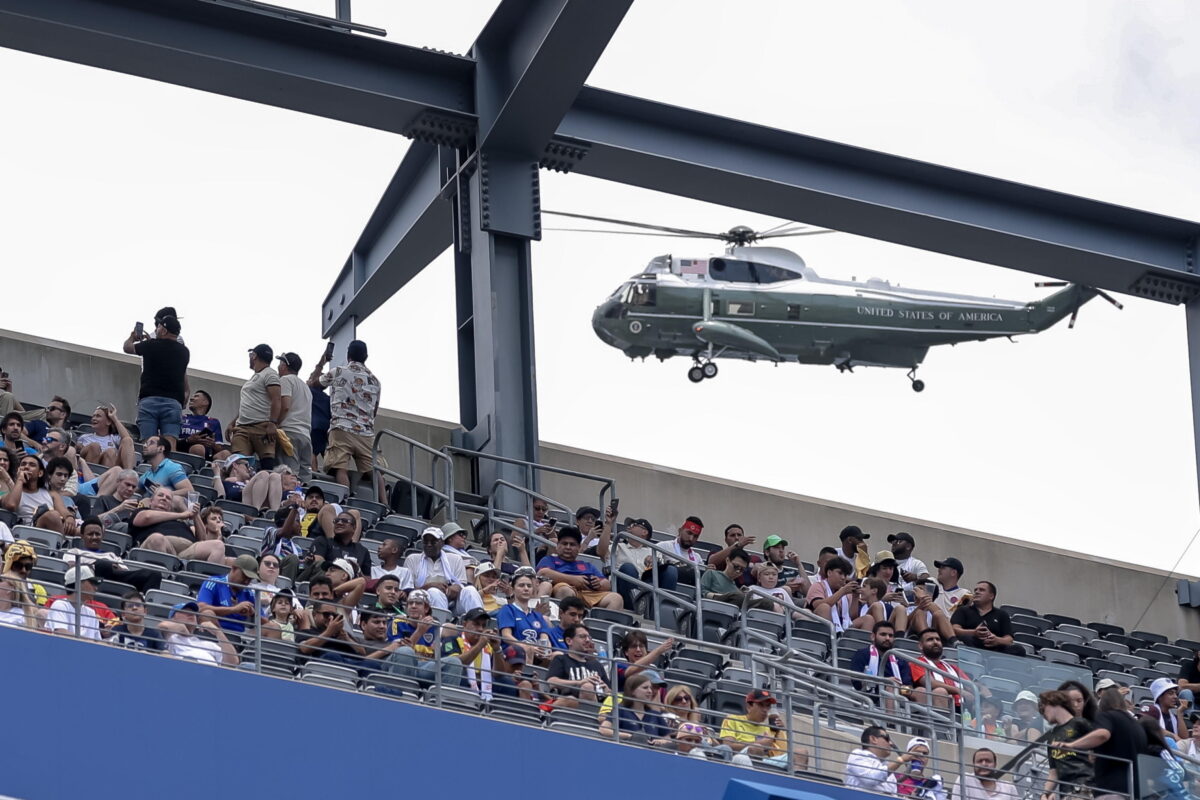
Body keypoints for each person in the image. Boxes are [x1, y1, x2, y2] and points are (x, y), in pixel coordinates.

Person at [1055, 684, 1148, 800]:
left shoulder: (1107, 716)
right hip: (1135, 792)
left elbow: (1103, 734)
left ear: (1103, 704)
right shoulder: (1137, 726)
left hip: (1111, 790)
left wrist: (1072, 745)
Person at [318, 339, 381, 492]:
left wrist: (321, 363)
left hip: (342, 427)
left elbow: (315, 384)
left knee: (340, 467)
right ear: (366, 357)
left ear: (348, 355)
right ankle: (384, 502)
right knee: (374, 470)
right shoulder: (375, 381)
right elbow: (374, 412)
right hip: (366, 432)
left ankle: (344, 498)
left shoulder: (339, 371)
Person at [124, 313, 189, 447]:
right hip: (173, 402)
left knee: (149, 442)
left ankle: (149, 460)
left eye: (158, 327)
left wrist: (132, 337)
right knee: (170, 442)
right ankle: (169, 460)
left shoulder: (151, 345)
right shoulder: (184, 352)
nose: (156, 330)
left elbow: (127, 347)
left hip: (150, 399)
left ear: (164, 330)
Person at [382, 589, 463, 686]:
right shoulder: (397, 622)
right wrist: (419, 631)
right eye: (410, 603)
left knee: (454, 662)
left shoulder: (436, 628)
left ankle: (442, 696)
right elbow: (396, 650)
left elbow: (437, 658)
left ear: (426, 608)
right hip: (400, 664)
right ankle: (400, 692)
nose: (413, 606)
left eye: (418, 603)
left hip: (424, 667)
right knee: (406, 652)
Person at [62, 517, 163, 594]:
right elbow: (72, 569)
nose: (94, 537)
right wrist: (96, 565)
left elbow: (124, 573)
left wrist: (113, 567)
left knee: (154, 574)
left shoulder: (112, 555)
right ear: (82, 536)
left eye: (97, 534)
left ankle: (145, 609)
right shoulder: (74, 552)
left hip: (115, 579)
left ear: (102, 536)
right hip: (90, 580)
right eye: (90, 534)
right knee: (103, 564)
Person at [535, 526, 623, 609]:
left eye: (572, 545)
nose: (568, 547)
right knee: (565, 590)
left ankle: (600, 620)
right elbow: (543, 573)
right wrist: (574, 580)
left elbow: (607, 584)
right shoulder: (549, 559)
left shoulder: (587, 565)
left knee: (616, 598)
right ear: (557, 546)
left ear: (579, 547)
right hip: (563, 588)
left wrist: (599, 584)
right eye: (564, 544)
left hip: (589, 593)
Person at [402, 527, 482, 614]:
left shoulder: (455, 559)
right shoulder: (412, 559)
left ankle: (479, 619)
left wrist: (447, 590)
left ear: (442, 543)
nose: (429, 545)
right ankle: (441, 621)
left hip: (452, 601)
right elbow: (407, 591)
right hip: (423, 602)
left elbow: (460, 585)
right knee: (434, 591)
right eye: (425, 542)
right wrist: (428, 587)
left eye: (433, 542)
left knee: (470, 590)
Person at [131, 487, 224, 563]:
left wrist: (196, 515)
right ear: (151, 501)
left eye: (168, 498)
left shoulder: (179, 521)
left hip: (186, 551)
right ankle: (165, 577)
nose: (164, 498)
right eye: (160, 495)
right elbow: (145, 517)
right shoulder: (143, 511)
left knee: (218, 545)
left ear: (171, 505)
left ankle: (207, 581)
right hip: (159, 545)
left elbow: (202, 539)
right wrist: (183, 514)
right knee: (157, 538)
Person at [228, 344, 284, 470]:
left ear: (254, 356)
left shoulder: (270, 374)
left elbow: (276, 399)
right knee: (239, 464)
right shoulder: (256, 377)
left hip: (262, 426)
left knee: (267, 464)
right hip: (243, 427)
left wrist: (272, 423)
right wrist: (233, 422)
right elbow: (248, 404)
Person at [613, 517, 678, 612]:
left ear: (644, 532)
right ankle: (636, 606)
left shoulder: (654, 551)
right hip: (624, 586)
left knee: (671, 570)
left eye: (634, 525)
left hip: (647, 582)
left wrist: (655, 561)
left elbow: (662, 566)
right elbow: (601, 552)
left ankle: (664, 610)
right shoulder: (618, 546)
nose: (629, 527)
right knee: (628, 567)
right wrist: (608, 525)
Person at [1038, 689, 1094, 800]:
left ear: (1051, 703)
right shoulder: (1052, 737)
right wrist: (1045, 793)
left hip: (1085, 785)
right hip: (1065, 792)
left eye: (1043, 708)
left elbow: (1100, 743)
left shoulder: (1080, 723)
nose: (1043, 714)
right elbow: (1053, 772)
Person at [909, 629, 977, 711]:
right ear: (920, 646)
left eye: (938, 639)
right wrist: (958, 690)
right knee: (940, 691)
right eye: (930, 640)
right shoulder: (916, 663)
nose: (935, 642)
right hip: (939, 705)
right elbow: (930, 683)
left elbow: (970, 685)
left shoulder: (952, 667)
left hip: (961, 707)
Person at [546, 624, 611, 708]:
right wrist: (579, 683)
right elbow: (551, 682)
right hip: (569, 705)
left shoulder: (597, 664)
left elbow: (610, 692)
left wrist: (607, 691)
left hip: (599, 707)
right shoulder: (561, 659)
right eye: (582, 637)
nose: (587, 640)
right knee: (587, 687)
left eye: (589, 637)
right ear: (569, 641)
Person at [950, 581, 1023, 656]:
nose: (977, 592)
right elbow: (954, 629)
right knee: (966, 638)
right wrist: (974, 633)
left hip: (994, 649)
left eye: (981, 590)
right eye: (975, 590)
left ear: (991, 596)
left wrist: (996, 640)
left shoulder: (1002, 614)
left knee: (1018, 649)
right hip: (971, 644)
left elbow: (1009, 639)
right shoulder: (963, 610)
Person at [599, 672, 673, 745]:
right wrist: (629, 736)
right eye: (645, 688)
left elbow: (668, 739)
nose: (650, 691)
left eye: (650, 688)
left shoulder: (655, 714)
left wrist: (660, 741)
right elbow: (604, 729)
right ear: (632, 691)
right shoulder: (620, 710)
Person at [157, 601, 238, 666]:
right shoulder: (171, 637)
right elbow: (163, 626)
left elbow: (232, 662)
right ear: (172, 618)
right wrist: (183, 629)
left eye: (193, 612)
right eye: (185, 611)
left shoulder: (208, 644)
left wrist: (218, 632)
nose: (191, 614)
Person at [496, 571, 553, 663]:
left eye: (529, 586)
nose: (526, 589)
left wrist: (546, 650)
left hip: (536, 654)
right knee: (528, 650)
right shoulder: (507, 609)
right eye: (521, 585)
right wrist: (528, 647)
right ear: (513, 589)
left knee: (556, 655)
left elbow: (544, 637)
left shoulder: (537, 615)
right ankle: (526, 672)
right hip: (513, 653)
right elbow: (506, 636)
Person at [196, 554, 260, 633]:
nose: (246, 581)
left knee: (271, 627)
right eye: (244, 576)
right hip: (216, 632)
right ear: (233, 568)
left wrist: (253, 614)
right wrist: (234, 609)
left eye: (250, 579)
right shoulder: (214, 582)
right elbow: (200, 608)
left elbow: (265, 620)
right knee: (207, 614)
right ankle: (223, 639)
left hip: (241, 635)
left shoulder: (250, 593)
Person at [276, 352, 313, 481]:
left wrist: (275, 423)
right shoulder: (306, 387)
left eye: (280, 364)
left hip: (289, 433)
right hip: (306, 437)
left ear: (284, 366)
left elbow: (285, 406)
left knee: (288, 475)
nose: (278, 367)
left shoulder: (285, 380)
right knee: (304, 479)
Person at [720, 689, 787, 759]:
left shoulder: (769, 729)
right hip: (740, 758)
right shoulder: (733, 720)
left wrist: (780, 732)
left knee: (795, 755)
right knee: (756, 748)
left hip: (766, 761)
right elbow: (728, 747)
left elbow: (780, 755)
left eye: (768, 706)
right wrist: (759, 743)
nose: (765, 710)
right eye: (761, 705)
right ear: (749, 707)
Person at [699, 546, 774, 609]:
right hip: (713, 605)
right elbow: (701, 592)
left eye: (742, 569)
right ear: (727, 560)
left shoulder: (736, 589)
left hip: (737, 610)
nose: (738, 571)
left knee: (767, 603)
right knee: (738, 596)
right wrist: (723, 596)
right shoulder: (712, 573)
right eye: (736, 566)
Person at [850, 620, 913, 694]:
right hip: (870, 696)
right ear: (873, 637)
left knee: (921, 690)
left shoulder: (900, 661)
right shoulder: (862, 654)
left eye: (890, 636)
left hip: (899, 696)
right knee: (891, 687)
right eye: (883, 634)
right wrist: (884, 681)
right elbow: (857, 682)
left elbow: (908, 689)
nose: (887, 638)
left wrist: (897, 689)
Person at [44, 565, 103, 640]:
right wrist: (88, 641)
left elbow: (97, 641)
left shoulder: (91, 613)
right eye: (92, 583)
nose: (96, 588)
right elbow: (61, 633)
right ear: (78, 584)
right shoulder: (60, 605)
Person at [844, 725, 907, 793]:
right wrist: (901, 760)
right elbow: (870, 779)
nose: (891, 743)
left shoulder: (885, 765)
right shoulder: (858, 755)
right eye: (887, 738)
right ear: (873, 739)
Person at [805, 556, 858, 632]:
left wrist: (855, 597)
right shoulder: (818, 586)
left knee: (868, 619)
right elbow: (817, 605)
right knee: (824, 607)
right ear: (829, 573)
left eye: (845, 575)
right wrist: (842, 592)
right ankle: (830, 637)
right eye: (840, 573)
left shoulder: (846, 592)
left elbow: (851, 617)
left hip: (842, 627)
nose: (843, 578)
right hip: (815, 626)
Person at [2, 453, 55, 526]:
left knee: (54, 515)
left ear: (40, 473)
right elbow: (11, 505)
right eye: (23, 464)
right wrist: (20, 479)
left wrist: (69, 517)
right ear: (18, 470)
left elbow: (65, 514)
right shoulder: (10, 491)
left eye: (32, 465)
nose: (26, 467)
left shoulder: (50, 494)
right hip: (25, 530)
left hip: (49, 528)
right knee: (52, 515)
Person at [76, 405, 135, 470]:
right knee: (95, 446)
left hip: (111, 468)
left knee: (112, 451)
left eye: (98, 416)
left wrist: (115, 419)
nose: (94, 418)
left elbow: (128, 441)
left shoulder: (114, 438)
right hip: (88, 467)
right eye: (93, 416)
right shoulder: (84, 437)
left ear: (108, 422)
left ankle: (128, 473)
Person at [179, 390, 229, 461]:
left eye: (196, 396)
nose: (191, 399)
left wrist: (212, 444)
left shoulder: (214, 422)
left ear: (205, 402)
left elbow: (219, 448)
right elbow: (172, 441)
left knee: (226, 453)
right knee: (198, 448)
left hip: (208, 455)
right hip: (184, 452)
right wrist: (188, 440)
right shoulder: (182, 418)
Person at [953, 748, 1018, 800]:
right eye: (979, 761)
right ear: (974, 765)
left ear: (995, 764)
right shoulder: (964, 780)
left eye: (988, 761)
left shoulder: (1009, 787)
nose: (984, 764)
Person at [0, 541, 38, 629]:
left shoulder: (33, 587)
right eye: (18, 566)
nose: (23, 570)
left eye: (28, 566)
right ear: (10, 565)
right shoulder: (2, 583)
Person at [668, 516, 707, 585]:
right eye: (689, 533)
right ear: (680, 531)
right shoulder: (664, 546)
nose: (691, 539)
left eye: (695, 536)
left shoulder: (697, 557)